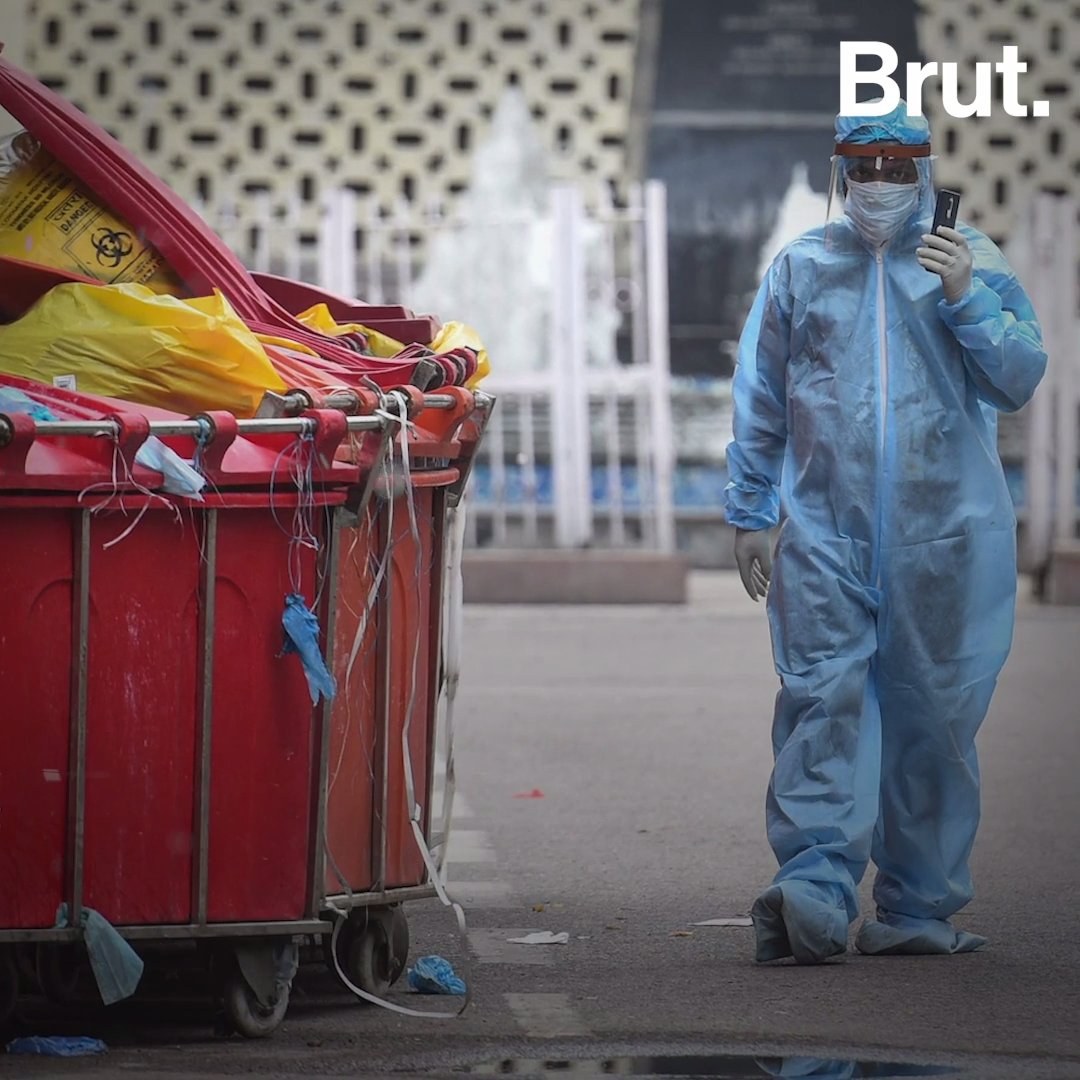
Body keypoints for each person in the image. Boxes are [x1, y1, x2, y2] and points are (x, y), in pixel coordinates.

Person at [723, 102, 1047, 964]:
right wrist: (752, 507)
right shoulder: (800, 269)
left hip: (945, 538)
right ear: (839, 173)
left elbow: (1019, 377)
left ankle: (915, 906)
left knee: (934, 719)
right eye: (861, 170)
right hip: (825, 534)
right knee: (819, 704)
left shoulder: (969, 259)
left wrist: (964, 296)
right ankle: (814, 894)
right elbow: (761, 397)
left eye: (895, 168)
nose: (876, 186)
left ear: (924, 173)